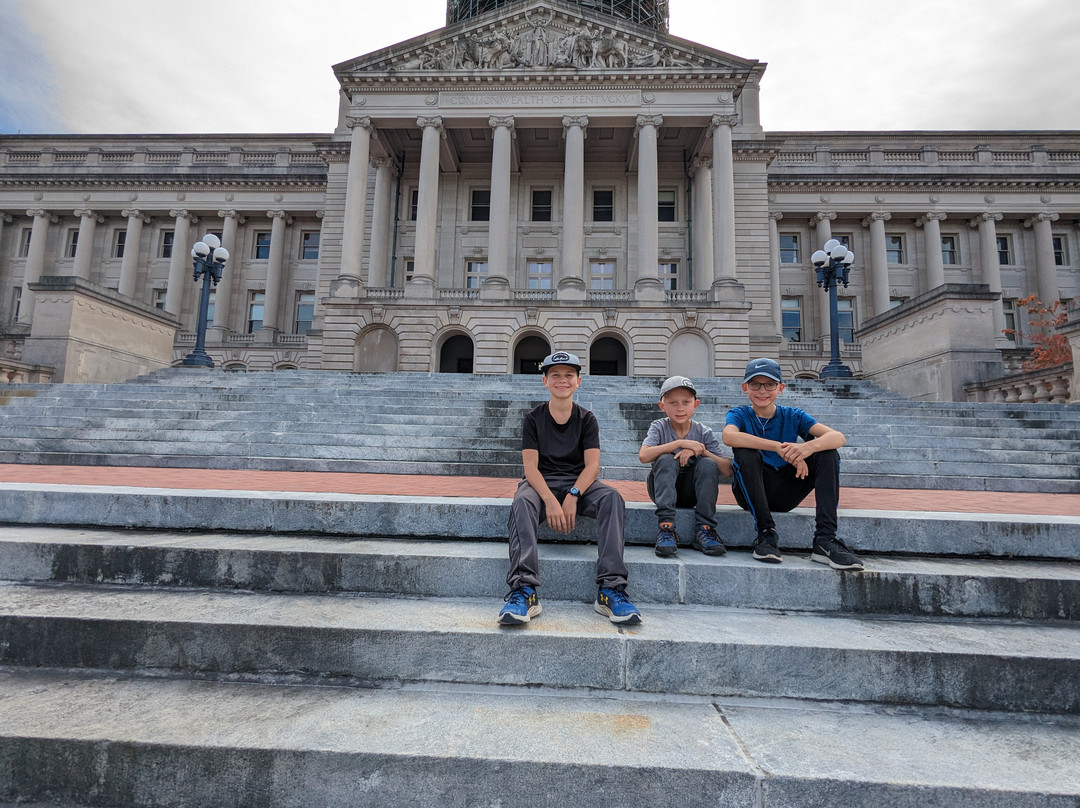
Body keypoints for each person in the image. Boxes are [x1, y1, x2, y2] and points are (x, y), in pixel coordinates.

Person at [498, 351, 642, 625]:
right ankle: (524, 590)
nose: (562, 380)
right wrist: (551, 500)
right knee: (522, 502)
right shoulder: (533, 418)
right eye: (555, 375)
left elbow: (592, 467)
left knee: (612, 497)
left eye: (568, 375)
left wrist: (574, 495)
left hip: (580, 483)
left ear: (578, 381)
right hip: (542, 482)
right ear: (545, 381)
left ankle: (610, 590)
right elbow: (530, 469)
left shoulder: (587, 419)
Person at [722, 357, 864, 571]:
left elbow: (837, 437)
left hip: (786, 491)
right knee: (745, 451)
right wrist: (778, 447)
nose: (762, 391)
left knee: (828, 453)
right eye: (755, 384)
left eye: (769, 384)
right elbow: (729, 437)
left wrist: (805, 449)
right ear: (745, 387)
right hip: (750, 490)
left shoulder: (793, 415)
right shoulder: (740, 414)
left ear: (780, 388)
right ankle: (766, 534)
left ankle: (825, 540)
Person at [639, 376, 734, 557]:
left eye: (686, 402)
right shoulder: (659, 426)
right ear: (662, 406)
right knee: (666, 458)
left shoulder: (703, 431)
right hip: (661, 489)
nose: (680, 408)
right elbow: (643, 456)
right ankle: (666, 528)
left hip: (693, 493)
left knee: (707, 463)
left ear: (695, 404)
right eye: (672, 402)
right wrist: (680, 443)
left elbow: (728, 470)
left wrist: (700, 450)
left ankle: (705, 529)